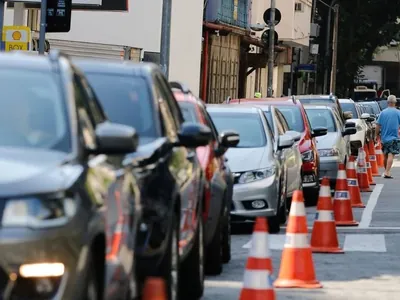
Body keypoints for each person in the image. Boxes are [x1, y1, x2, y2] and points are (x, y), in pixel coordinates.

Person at [375, 94, 400, 178]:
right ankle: (387, 171)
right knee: (391, 154)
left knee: (385, 155)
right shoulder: (398, 112)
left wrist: (376, 135)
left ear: (387, 102)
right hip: (394, 137)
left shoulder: (383, 113)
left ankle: (387, 171)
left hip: (384, 138)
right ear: (395, 103)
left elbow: (378, 125)